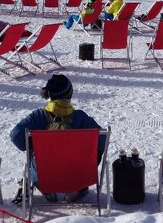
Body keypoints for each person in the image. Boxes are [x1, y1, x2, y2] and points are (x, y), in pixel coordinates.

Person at [9, 74, 104, 204]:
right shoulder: (80, 118)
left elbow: (15, 137)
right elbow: (102, 138)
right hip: (77, 174)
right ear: (69, 94)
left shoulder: (38, 116)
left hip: (43, 176)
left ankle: (47, 188)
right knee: (91, 148)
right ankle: (75, 187)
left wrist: (35, 144)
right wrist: (91, 157)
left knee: (33, 156)